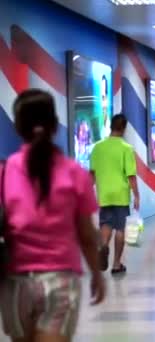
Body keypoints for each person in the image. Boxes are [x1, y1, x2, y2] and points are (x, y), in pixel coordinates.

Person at [0, 89, 105, 341]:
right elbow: (87, 235)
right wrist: (97, 274)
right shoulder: (74, 173)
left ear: (18, 127)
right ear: (55, 126)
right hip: (61, 282)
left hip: (15, 284)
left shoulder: (5, 173)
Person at [90, 114, 139, 275]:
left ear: (111, 126)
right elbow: (131, 175)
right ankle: (117, 264)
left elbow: (91, 174)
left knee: (105, 224)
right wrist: (137, 195)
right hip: (120, 194)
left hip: (104, 193)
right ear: (124, 129)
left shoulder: (98, 148)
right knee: (120, 228)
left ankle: (103, 246)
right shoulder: (126, 148)